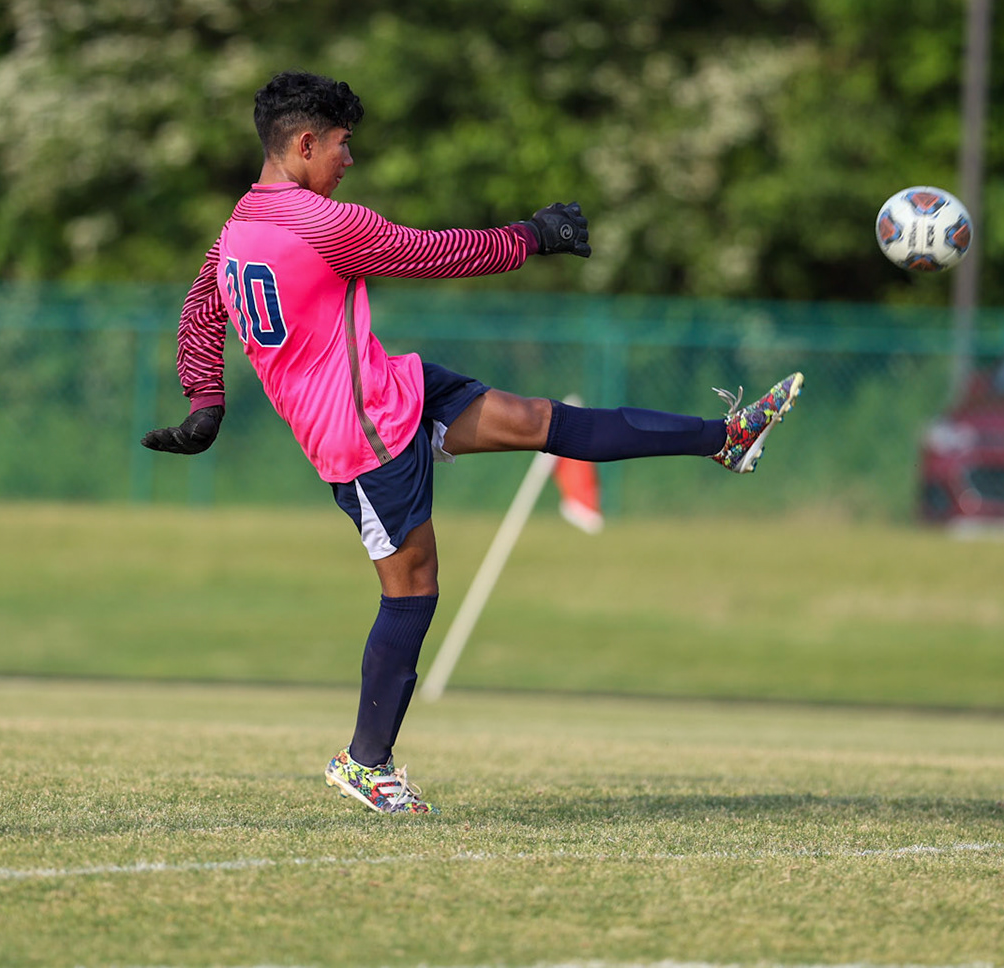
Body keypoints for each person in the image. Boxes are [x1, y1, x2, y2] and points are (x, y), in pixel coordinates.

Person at [144, 70, 802, 815]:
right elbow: (429, 253)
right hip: (359, 440)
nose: (349, 160)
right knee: (413, 590)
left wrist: (206, 400)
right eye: (342, 145)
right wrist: (533, 236)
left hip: (394, 391)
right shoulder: (321, 223)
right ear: (303, 144)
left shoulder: (239, 225)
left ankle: (727, 437)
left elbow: (201, 307)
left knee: (538, 419)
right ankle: (365, 762)